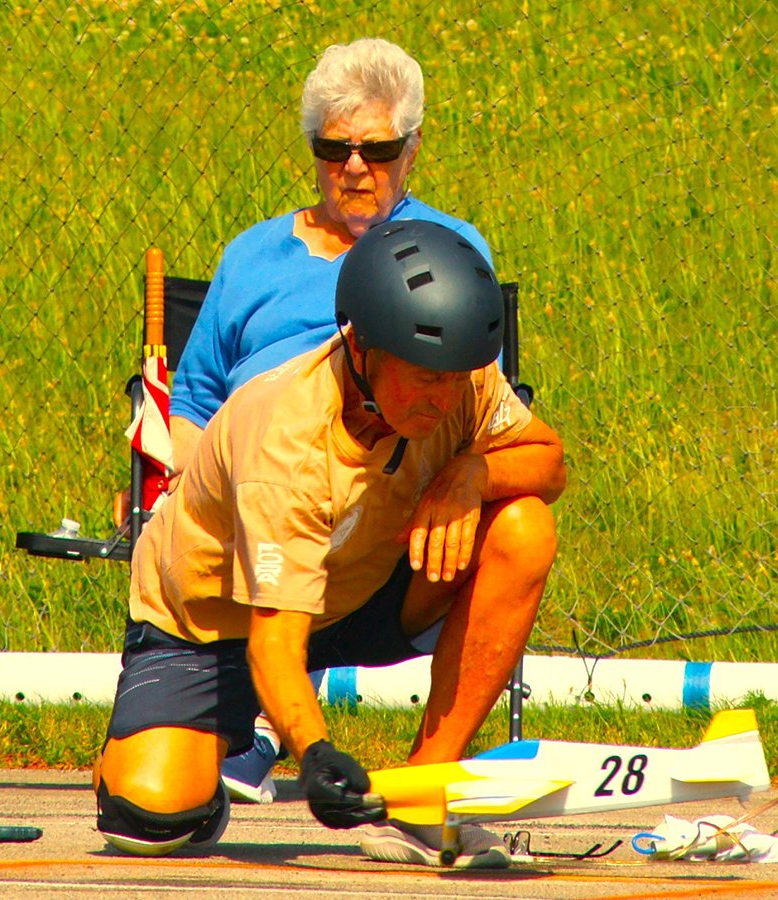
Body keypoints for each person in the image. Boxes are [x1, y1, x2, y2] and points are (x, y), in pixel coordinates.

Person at [94, 220, 564, 868]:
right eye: (426, 377)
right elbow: (274, 641)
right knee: (153, 823)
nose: (445, 396)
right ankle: (157, 753)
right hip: (215, 620)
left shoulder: (460, 374)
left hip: (356, 592)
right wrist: (315, 753)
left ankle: (424, 793)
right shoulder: (285, 436)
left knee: (523, 526)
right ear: (363, 347)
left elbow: (548, 458)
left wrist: (474, 473)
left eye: (457, 377)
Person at [168, 37, 496, 805]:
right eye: (333, 148)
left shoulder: (450, 253)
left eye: (376, 149)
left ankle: (407, 772)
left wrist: (468, 475)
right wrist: (178, 483)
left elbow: (486, 406)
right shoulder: (251, 255)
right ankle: (236, 726)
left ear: (412, 150)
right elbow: (195, 397)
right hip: (253, 497)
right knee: (152, 805)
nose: (354, 168)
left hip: (385, 499)